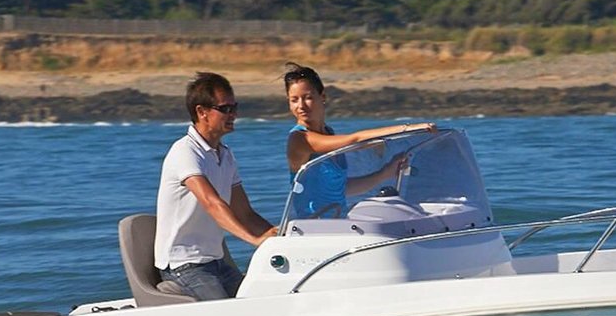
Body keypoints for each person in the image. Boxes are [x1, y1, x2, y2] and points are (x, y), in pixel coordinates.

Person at [154, 72, 278, 300]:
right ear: (202, 112)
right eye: (225, 109)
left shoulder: (225, 155)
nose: (233, 114)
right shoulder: (185, 152)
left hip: (216, 262)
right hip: (183, 265)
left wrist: (277, 236)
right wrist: (254, 240)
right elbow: (212, 203)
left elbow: (244, 213)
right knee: (229, 312)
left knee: (263, 298)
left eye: (234, 107)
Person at [283, 63, 435, 218]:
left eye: (308, 98)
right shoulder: (299, 139)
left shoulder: (328, 133)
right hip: (312, 227)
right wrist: (408, 128)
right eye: (294, 100)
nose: (301, 106)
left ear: (322, 97)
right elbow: (355, 139)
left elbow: (340, 188)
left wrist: (384, 173)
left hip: (338, 223)